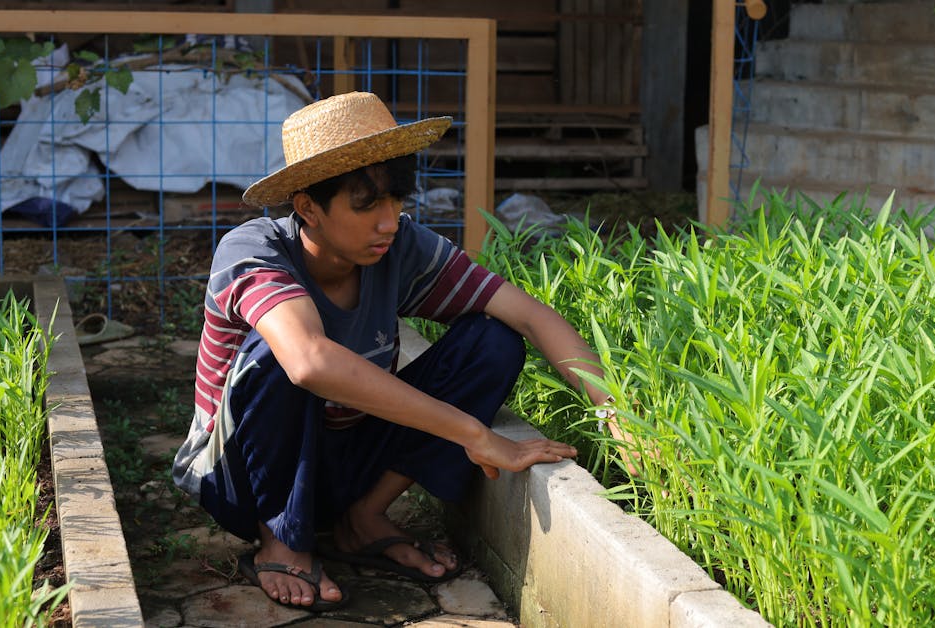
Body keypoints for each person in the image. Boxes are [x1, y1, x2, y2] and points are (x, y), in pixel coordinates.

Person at [171, 91, 616, 611]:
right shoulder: (253, 251)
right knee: (278, 356)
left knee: (491, 341)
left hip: (340, 456)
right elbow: (309, 361)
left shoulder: (399, 246)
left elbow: (527, 314)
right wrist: (476, 435)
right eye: (367, 205)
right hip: (239, 477)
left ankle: (363, 518)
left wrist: (614, 410)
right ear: (308, 208)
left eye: (397, 200)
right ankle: (282, 536)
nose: (388, 221)